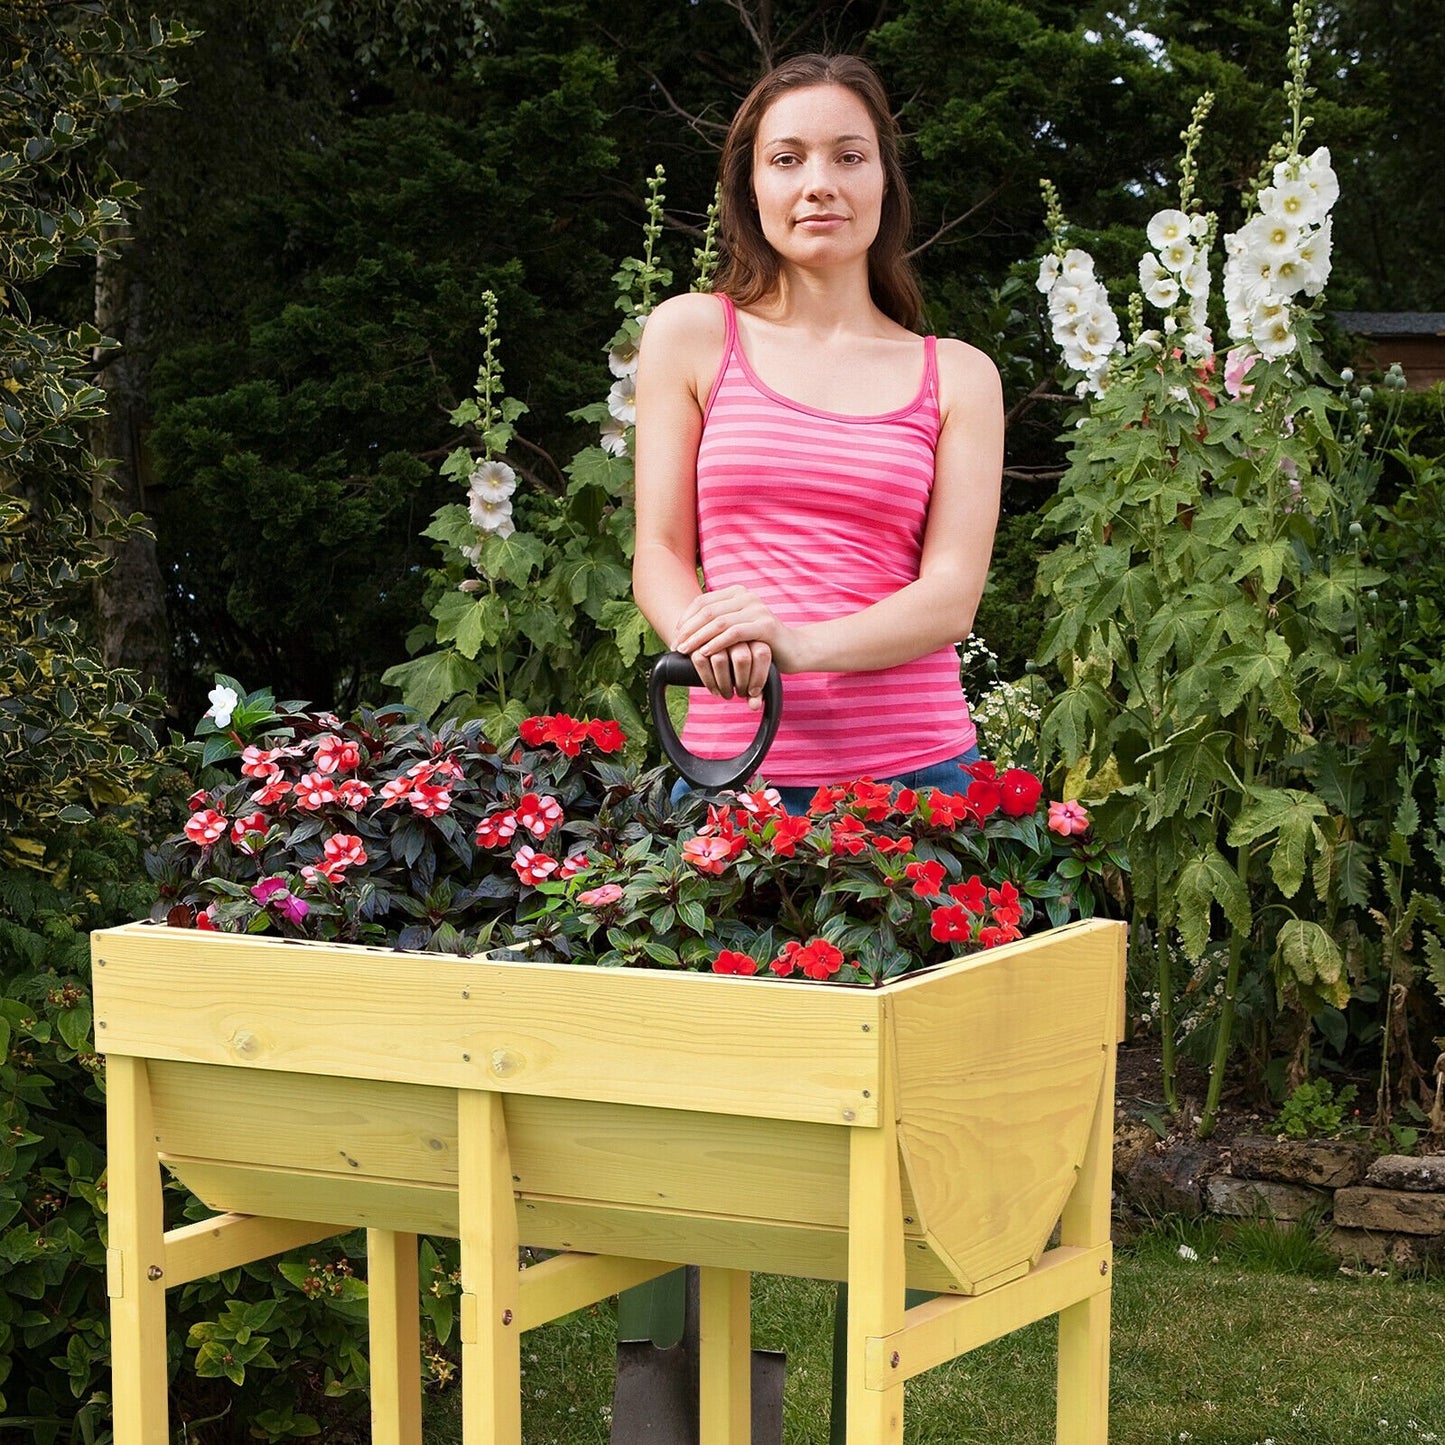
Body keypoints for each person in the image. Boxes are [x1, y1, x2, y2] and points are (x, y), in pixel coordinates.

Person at [632, 52, 1003, 815]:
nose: (818, 184)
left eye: (848, 157)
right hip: (730, 775)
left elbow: (950, 598)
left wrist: (791, 645)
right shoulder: (691, 335)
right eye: (787, 159)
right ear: (752, 186)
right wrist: (711, 642)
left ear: (883, 183)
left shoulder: (960, 376)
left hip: (921, 779)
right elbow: (660, 552)